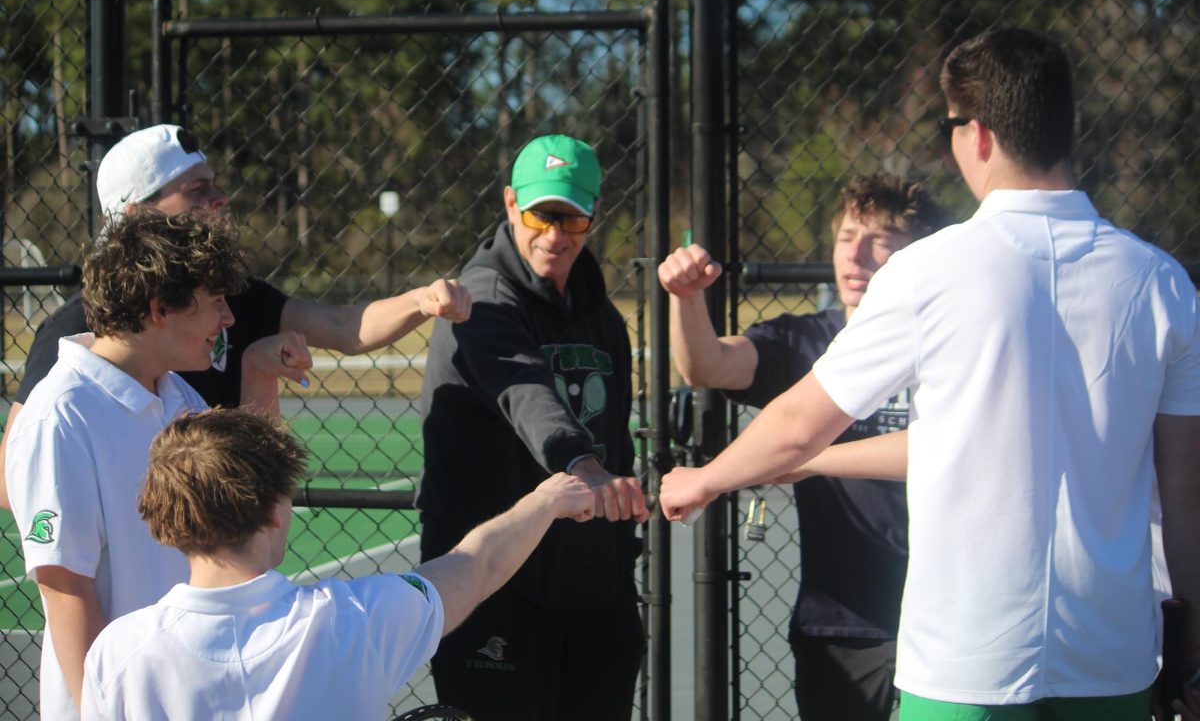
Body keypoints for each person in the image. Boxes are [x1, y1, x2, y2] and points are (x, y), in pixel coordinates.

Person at [660, 28, 1200, 718]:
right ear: (1067, 128)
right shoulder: (1163, 284)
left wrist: (703, 479)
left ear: (975, 135)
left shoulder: (929, 270)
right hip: (1113, 657)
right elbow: (1186, 498)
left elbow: (798, 425)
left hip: (966, 660)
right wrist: (1192, 655)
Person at [0, 123, 471, 506]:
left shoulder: (235, 299)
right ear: (136, 214)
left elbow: (345, 327)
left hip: (213, 546)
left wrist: (420, 300)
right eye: (197, 190)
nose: (219, 199)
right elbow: (10, 478)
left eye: (214, 186)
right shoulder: (79, 327)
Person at [80, 408, 596, 720]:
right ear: (277, 512)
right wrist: (545, 501)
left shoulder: (118, 652)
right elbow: (475, 565)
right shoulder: (354, 621)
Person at [657, 174, 945, 721]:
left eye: (880, 238)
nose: (856, 254)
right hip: (841, 622)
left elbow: (942, 448)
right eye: (846, 236)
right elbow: (708, 365)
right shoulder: (805, 340)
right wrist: (687, 298)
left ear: (918, 252)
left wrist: (805, 459)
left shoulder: (948, 340)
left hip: (944, 620)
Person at [6, 209, 271, 719]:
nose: (228, 319)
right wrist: (104, 711)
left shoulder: (179, 395)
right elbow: (66, 590)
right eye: (216, 302)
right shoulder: (61, 416)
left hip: (185, 697)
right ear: (159, 309)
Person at [418, 134, 649, 720]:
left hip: (593, 588)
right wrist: (582, 463)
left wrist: (619, 548)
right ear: (509, 204)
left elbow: (615, 437)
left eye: (571, 219)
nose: (554, 236)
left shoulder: (602, 316)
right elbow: (524, 390)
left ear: (593, 216)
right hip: (494, 585)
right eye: (540, 215)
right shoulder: (480, 301)